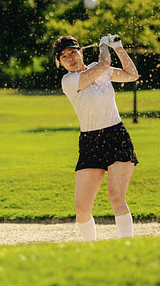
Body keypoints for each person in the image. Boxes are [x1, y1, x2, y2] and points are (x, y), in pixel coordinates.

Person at [53, 34, 139, 241]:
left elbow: (132, 75)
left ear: (81, 52)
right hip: (90, 142)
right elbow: (104, 63)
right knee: (81, 208)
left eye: (73, 52)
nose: (70, 58)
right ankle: (90, 250)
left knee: (116, 196)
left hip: (116, 135)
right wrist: (103, 45)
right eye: (64, 56)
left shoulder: (100, 70)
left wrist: (118, 47)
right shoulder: (69, 81)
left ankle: (128, 246)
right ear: (60, 63)